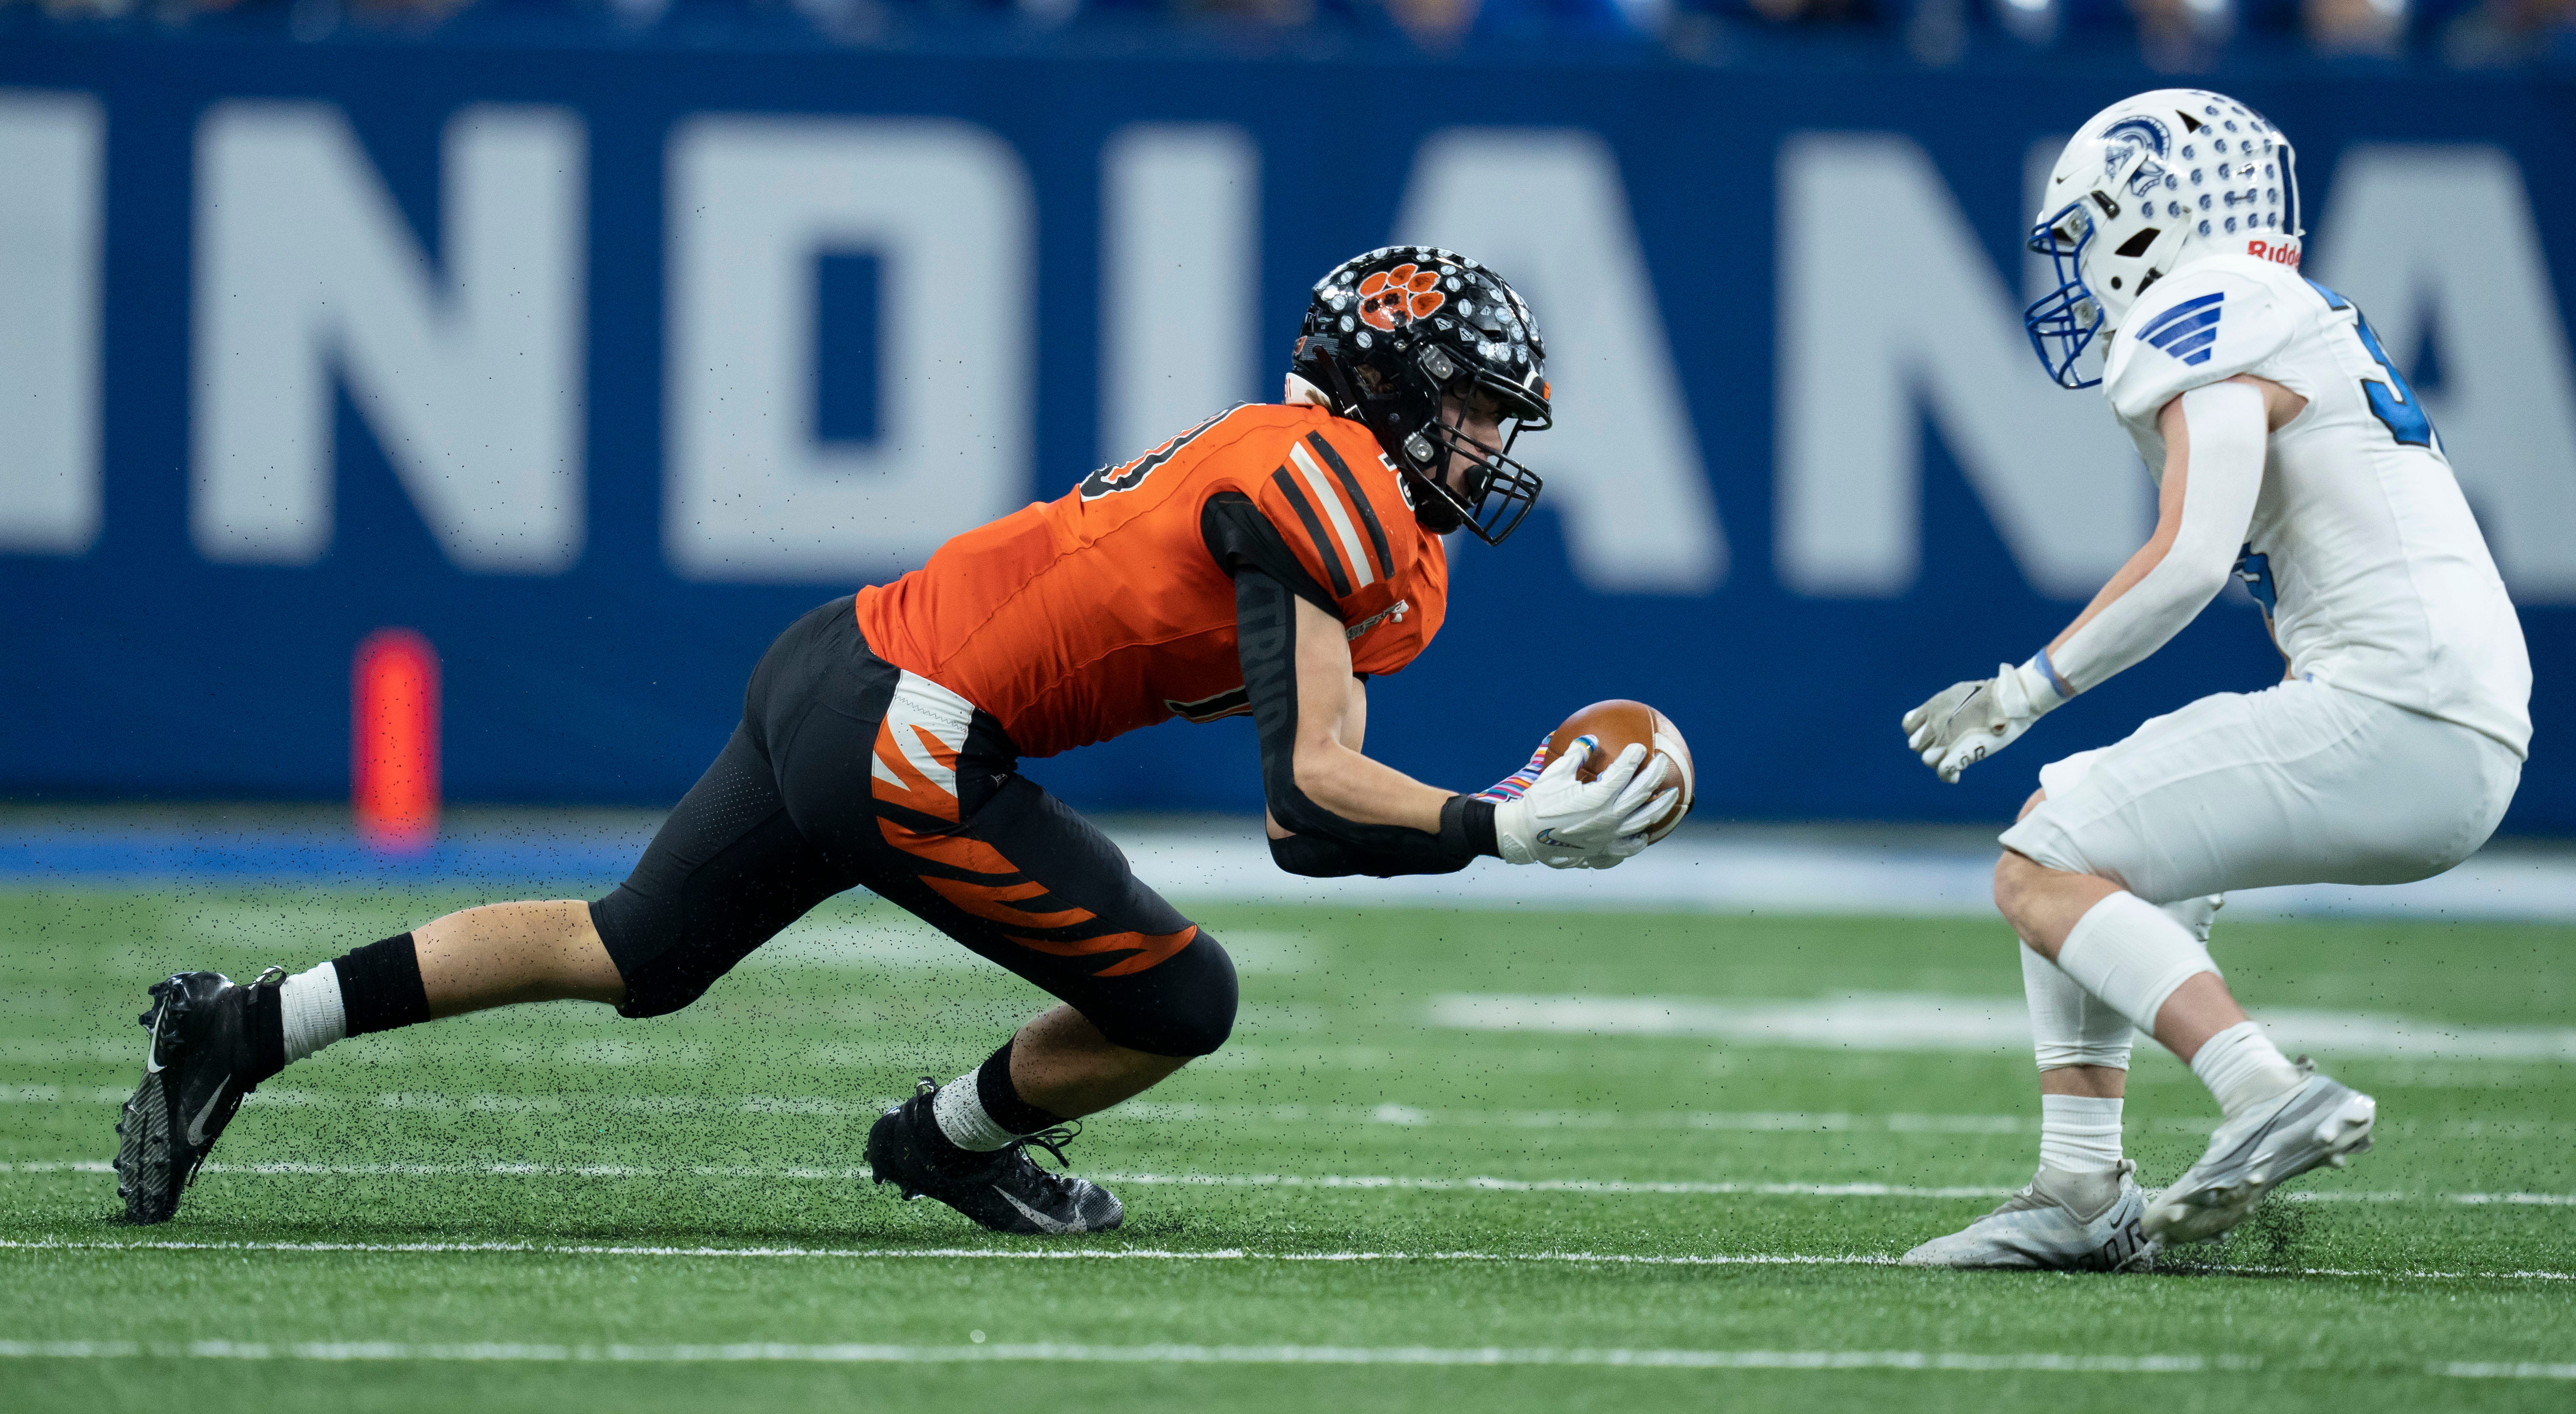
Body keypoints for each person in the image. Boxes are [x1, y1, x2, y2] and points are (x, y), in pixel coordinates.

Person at [116, 246, 1676, 1234]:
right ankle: (945, 1141)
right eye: (1473, 405)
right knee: (1184, 995)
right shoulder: (1316, 475)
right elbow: (1314, 793)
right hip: (914, 736)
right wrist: (1503, 825)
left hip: (842, 663)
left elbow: (1317, 812)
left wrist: (1476, 818)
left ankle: (245, 1028)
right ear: (1392, 389)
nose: (1488, 441)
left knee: (631, 948)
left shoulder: (1343, 511)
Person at [1897, 90, 2530, 1270]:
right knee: (2073, 832)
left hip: (2402, 703)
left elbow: (2190, 557)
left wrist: (2022, 690)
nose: (2081, 269)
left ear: (2149, 212)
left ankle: (2265, 1091)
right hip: (2440, 707)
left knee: (2039, 867)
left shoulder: (2213, 301)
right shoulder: (2290, 308)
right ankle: (2081, 1189)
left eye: (2088, 230)